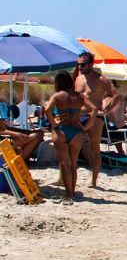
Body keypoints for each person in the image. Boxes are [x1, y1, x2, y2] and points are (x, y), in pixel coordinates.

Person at [43, 71, 94, 203]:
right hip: (76, 131)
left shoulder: (58, 95)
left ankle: (68, 193)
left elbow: (48, 110)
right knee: (73, 163)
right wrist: (86, 127)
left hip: (62, 131)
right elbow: (94, 110)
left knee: (65, 163)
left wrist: (54, 124)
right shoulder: (80, 96)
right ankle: (72, 191)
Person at [73, 51, 114, 188]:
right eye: (78, 64)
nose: (80, 67)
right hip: (79, 115)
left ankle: (94, 182)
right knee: (71, 145)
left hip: (95, 116)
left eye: (83, 64)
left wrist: (106, 107)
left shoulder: (101, 79)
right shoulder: (78, 78)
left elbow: (113, 95)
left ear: (91, 64)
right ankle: (64, 178)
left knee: (94, 148)